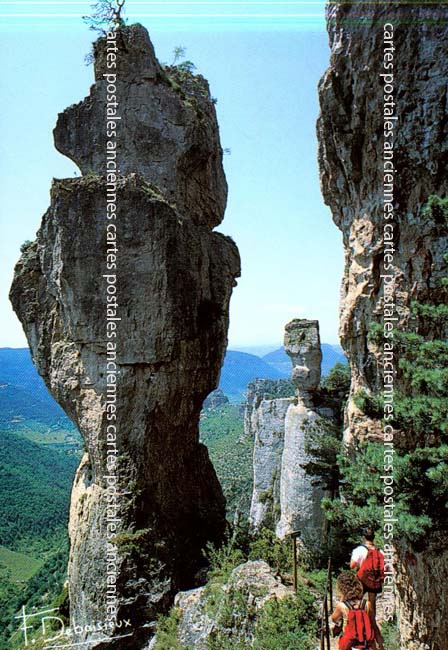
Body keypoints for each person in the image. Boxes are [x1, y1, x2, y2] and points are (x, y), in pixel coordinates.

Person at [329, 571, 378, 650]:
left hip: (349, 645)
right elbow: (374, 626)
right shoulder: (367, 604)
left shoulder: (342, 606)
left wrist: (343, 598)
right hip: (365, 644)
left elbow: (334, 619)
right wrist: (380, 644)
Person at [350, 527, 385, 615]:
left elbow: (352, 565)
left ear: (363, 537)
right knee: (372, 602)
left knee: (357, 600)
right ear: (374, 537)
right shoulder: (380, 551)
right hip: (374, 579)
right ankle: (372, 622)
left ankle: (358, 620)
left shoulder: (359, 550)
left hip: (362, 578)